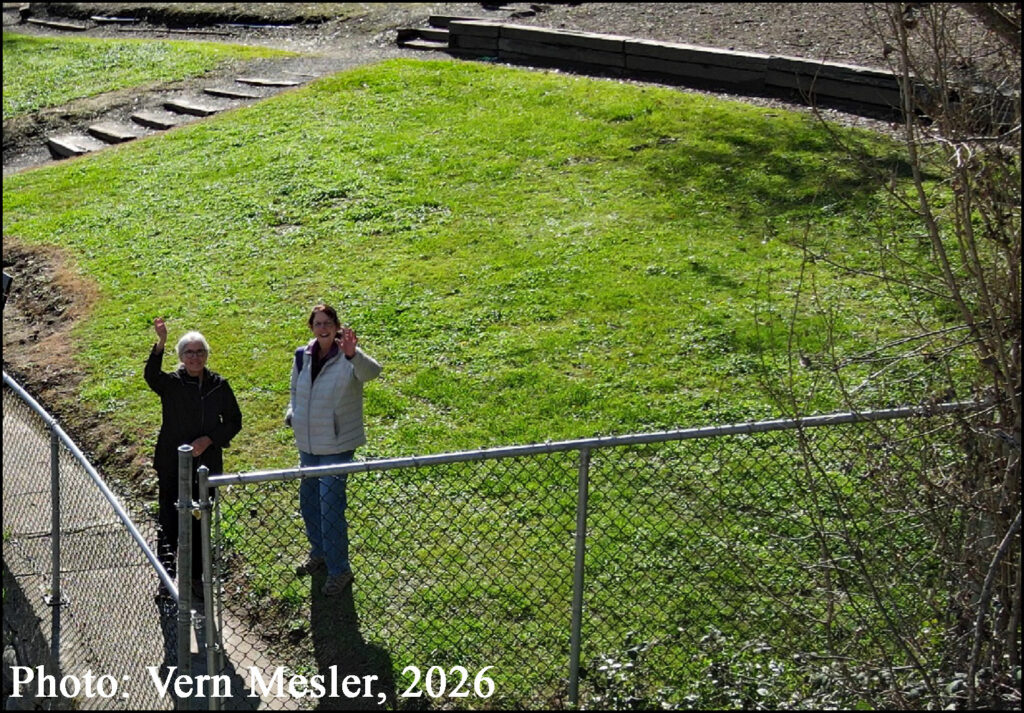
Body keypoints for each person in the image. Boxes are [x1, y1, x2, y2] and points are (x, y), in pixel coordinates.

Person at [286, 304, 382, 596]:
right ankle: (319, 553)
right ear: (311, 327)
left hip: (337, 444)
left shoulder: (348, 356)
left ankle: (340, 570)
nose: (323, 328)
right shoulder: (302, 355)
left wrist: (353, 354)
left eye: (328, 322)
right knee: (309, 501)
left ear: (337, 325)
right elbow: (294, 390)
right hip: (308, 443)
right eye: (318, 323)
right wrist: (292, 413)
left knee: (330, 507)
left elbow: (373, 372)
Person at [145, 317, 242, 599]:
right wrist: (161, 342)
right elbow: (151, 375)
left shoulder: (218, 385)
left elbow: (234, 421)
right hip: (172, 465)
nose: (195, 357)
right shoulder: (172, 384)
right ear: (181, 356)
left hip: (205, 466)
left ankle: (197, 579)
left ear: (207, 355)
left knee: (201, 521)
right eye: (189, 352)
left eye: (200, 352)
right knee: (169, 521)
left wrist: (209, 439)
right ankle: (166, 578)